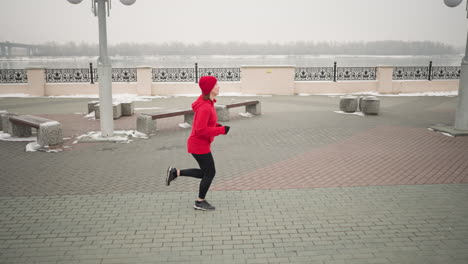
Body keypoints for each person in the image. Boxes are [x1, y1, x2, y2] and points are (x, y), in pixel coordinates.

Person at [166, 76, 230, 211]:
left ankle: (175, 173)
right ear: (210, 89)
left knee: (206, 173)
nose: (219, 86)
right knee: (210, 173)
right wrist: (221, 130)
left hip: (200, 144)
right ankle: (200, 201)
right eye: (216, 85)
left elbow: (204, 124)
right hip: (198, 144)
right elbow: (201, 130)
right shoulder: (205, 107)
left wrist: (216, 125)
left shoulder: (208, 104)